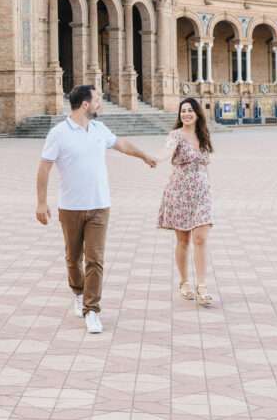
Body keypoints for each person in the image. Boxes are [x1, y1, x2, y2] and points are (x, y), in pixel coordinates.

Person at [36, 85, 157, 334]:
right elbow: (44, 167)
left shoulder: (99, 128)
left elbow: (121, 144)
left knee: (95, 259)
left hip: (100, 206)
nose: (100, 102)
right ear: (85, 104)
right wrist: (40, 202)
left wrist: (143, 156)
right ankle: (78, 293)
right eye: (98, 99)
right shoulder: (59, 133)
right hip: (70, 207)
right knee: (73, 257)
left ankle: (92, 309)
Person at [156, 97, 215, 306]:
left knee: (200, 238)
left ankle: (202, 286)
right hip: (180, 193)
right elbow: (167, 150)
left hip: (201, 194)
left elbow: (205, 165)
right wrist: (157, 158)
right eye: (183, 111)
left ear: (198, 113)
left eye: (190, 110)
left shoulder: (203, 135)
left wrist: (208, 187)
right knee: (183, 241)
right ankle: (183, 282)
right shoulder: (176, 135)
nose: (186, 114)